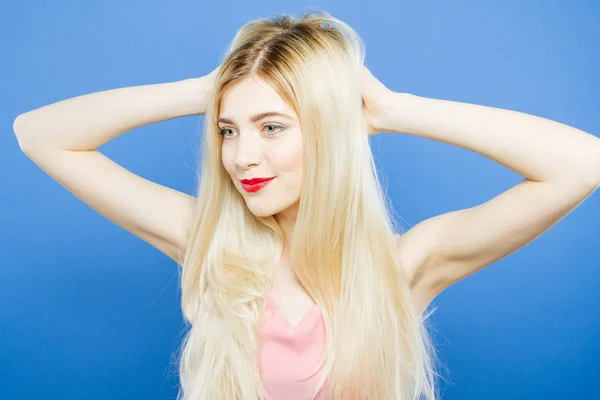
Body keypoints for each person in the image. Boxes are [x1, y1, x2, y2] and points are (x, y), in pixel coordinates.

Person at [13, 10, 600, 400]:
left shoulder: (403, 267)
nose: (242, 156)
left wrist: (395, 110)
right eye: (227, 130)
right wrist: (203, 90)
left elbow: (582, 164)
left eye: (271, 127)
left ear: (327, 132)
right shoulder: (208, 247)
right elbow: (40, 133)